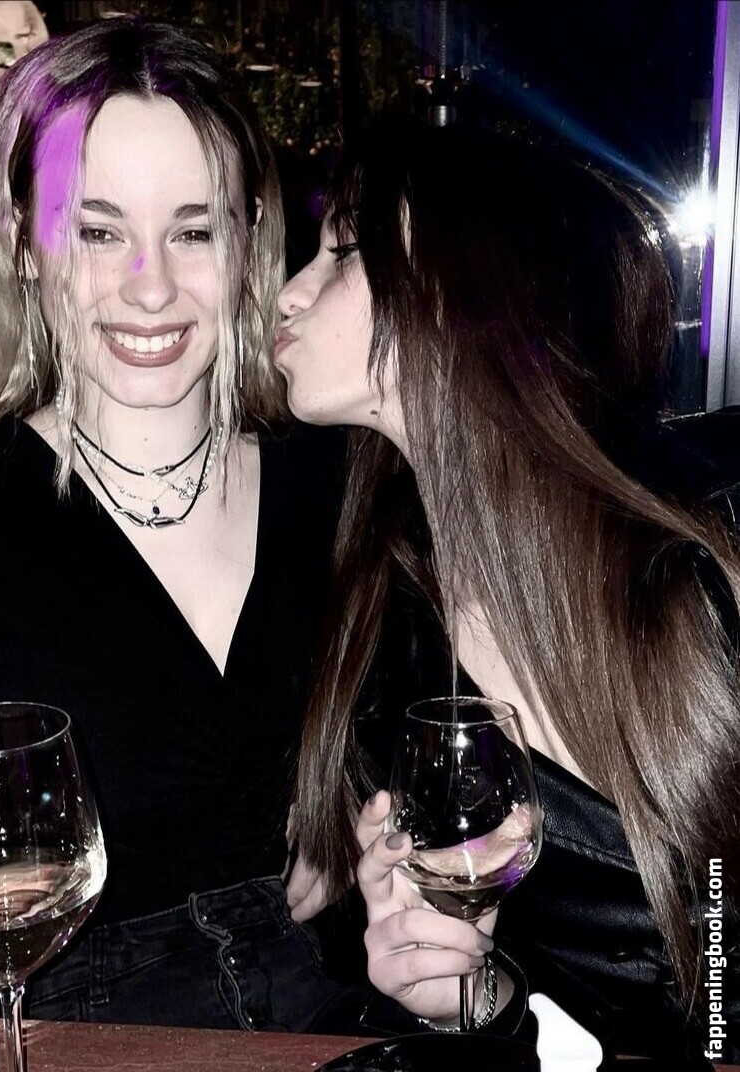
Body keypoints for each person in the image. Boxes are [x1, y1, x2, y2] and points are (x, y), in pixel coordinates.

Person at [0, 17, 360, 1072]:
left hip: (343, 1028)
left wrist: (373, 836)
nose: (150, 286)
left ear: (250, 240)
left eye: (194, 232)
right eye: (97, 230)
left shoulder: (343, 479)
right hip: (65, 1037)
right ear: (21, 244)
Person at [276, 121, 740, 1064]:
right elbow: (518, 1020)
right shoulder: (387, 634)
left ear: (471, 292)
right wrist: (463, 990)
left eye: (344, 251)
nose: (289, 291)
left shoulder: (704, 565)